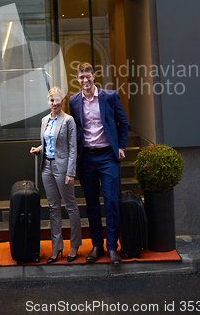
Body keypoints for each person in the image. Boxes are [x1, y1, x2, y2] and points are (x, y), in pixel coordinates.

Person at [69, 62, 128, 266]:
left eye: (88, 76)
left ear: (94, 76)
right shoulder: (74, 101)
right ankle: (97, 245)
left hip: (107, 157)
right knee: (92, 203)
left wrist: (121, 146)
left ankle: (112, 248)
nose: (85, 80)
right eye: (81, 77)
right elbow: (74, 130)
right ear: (77, 79)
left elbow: (123, 121)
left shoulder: (109, 96)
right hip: (86, 159)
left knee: (111, 201)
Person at [30, 86, 82, 264]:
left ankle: (74, 245)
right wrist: (39, 148)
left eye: (58, 99)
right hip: (47, 167)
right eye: (52, 100)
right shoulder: (44, 120)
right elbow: (49, 142)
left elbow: (72, 147)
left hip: (62, 168)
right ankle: (56, 247)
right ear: (48, 101)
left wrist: (70, 172)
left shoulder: (68, 120)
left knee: (71, 206)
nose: (55, 103)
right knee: (53, 208)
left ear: (62, 101)